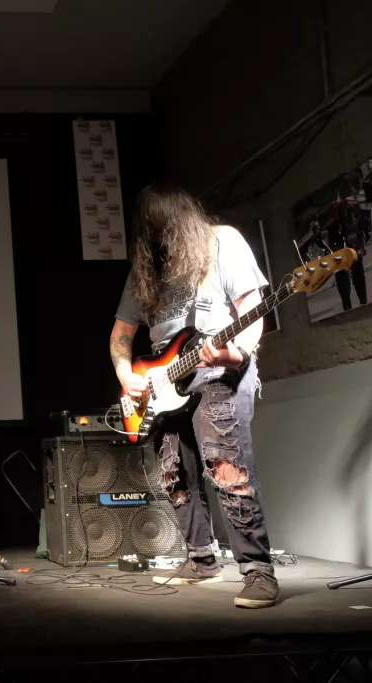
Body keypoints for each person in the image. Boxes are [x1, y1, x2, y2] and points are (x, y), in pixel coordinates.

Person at [109, 184, 279, 609]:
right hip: (162, 383)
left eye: (164, 228)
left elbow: (252, 310)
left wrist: (237, 352)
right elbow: (121, 334)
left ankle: (258, 570)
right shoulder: (146, 269)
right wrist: (126, 373)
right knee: (175, 473)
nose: (159, 238)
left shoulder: (222, 242)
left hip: (220, 368)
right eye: (150, 232)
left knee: (226, 466)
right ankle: (201, 559)